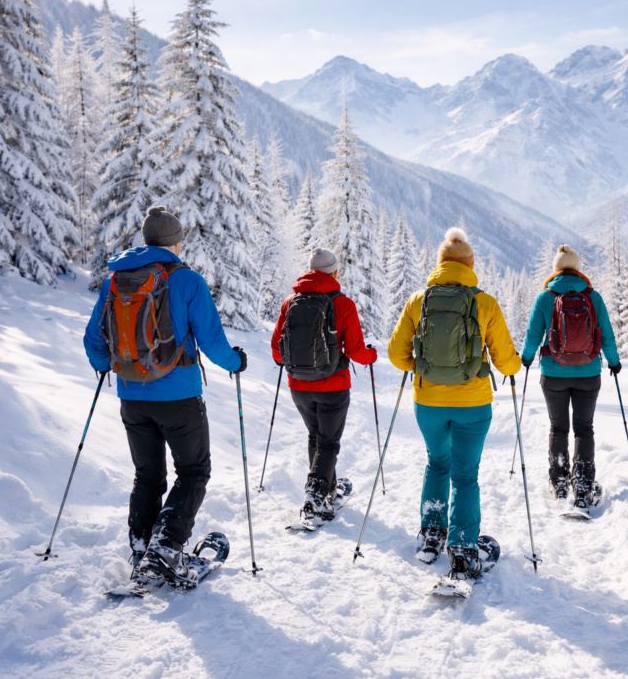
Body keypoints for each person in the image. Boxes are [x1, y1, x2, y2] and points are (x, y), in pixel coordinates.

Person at [83, 206, 247, 587]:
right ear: (175, 242)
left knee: (147, 476)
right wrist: (235, 362)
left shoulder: (116, 280)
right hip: (179, 397)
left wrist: (107, 365)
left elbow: (93, 339)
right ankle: (166, 547)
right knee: (193, 471)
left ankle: (142, 547)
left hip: (131, 395)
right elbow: (211, 341)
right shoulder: (187, 280)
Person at [388, 227, 521, 577]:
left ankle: (432, 533)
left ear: (440, 264)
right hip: (473, 405)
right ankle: (462, 550)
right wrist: (510, 363)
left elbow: (396, 355)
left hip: (428, 402)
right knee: (465, 475)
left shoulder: (419, 300)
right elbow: (507, 362)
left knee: (437, 463)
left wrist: (421, 364)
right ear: (470, 264)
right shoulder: (485, 303)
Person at [271, 248, 377, 523]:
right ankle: (315, 497)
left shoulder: (290, 301)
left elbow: (276, 351)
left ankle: (326, 491)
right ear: (334, 272)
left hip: (298, 387)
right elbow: (355, 350)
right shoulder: (343, 304)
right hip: (333, 387)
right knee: (328, 442)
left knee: (314, 437)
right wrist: (372, 355)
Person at [520, 244, 620, 510]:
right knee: (584, 429)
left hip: (553, 374)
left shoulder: (546, 297)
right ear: (577, 268)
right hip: (589, 373)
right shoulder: (593, 296)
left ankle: (559, 482)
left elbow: (532, 335)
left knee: (558, 428)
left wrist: (527, 358)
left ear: (556, 269)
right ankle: (584, 485)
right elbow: (606, 333)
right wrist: (614, 361)